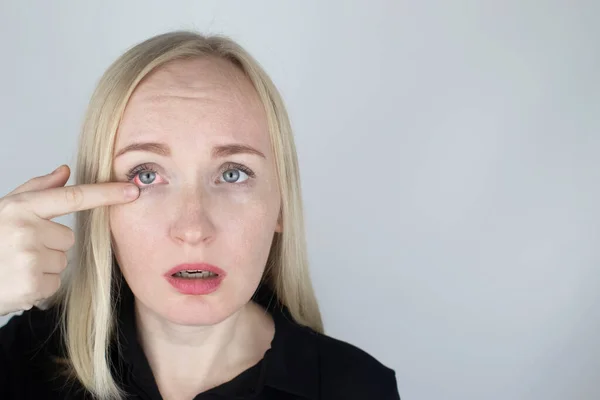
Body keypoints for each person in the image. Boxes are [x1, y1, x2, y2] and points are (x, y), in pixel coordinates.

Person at [0, 30, 400, 399]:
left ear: (281, 205)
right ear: (98, 207)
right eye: (146, 174)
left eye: (232, 174)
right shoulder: (20, 360)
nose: (193, 228)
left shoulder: (357, 386)